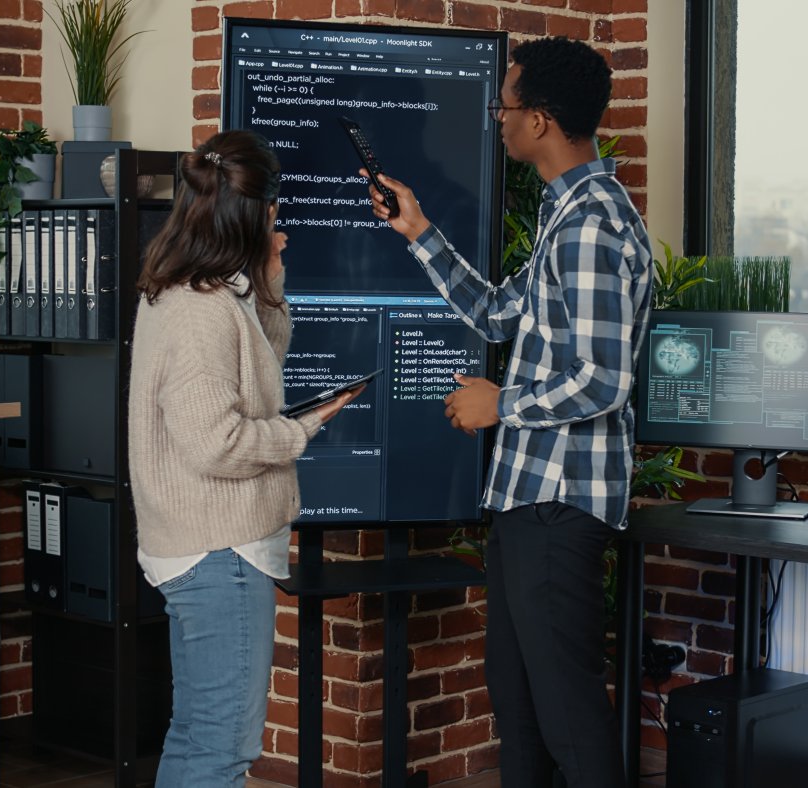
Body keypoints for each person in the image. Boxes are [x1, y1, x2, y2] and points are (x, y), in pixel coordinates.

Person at [363, 37, 653, 787]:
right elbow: (497, 315)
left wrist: (502, 405)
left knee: (570, 722)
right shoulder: (570, 216)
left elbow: (603, 380)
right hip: (530, 502)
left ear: (543, 122)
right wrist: (419, 230)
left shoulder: (591, 226)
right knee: (520, 712)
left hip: (560, 507)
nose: (498, 117)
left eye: (508, 104)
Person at [128, 129, 359, 787]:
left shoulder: (204, 292)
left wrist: (268, 287)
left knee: (200, 735)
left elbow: (260, 372)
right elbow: (218, 442)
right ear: (247, 213)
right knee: (222, 750)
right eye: (273, 209)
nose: (277, 220)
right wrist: (302, 430)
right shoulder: (199, 311)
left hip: (211, 549)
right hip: (219, 553)